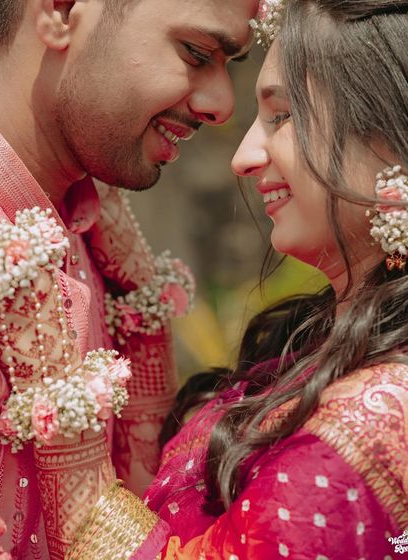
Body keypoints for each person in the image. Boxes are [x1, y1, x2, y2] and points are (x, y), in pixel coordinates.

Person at [64, 0, 407, 558]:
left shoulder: (374, 418)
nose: (243, 157)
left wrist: (70, 462)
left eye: (282, 116)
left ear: (393, 141)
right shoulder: (315, 344)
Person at [0, 0, 258, 558]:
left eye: (229, 64)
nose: (222, 105)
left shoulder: (99, 240)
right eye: (195, 52)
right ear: (60, 11)